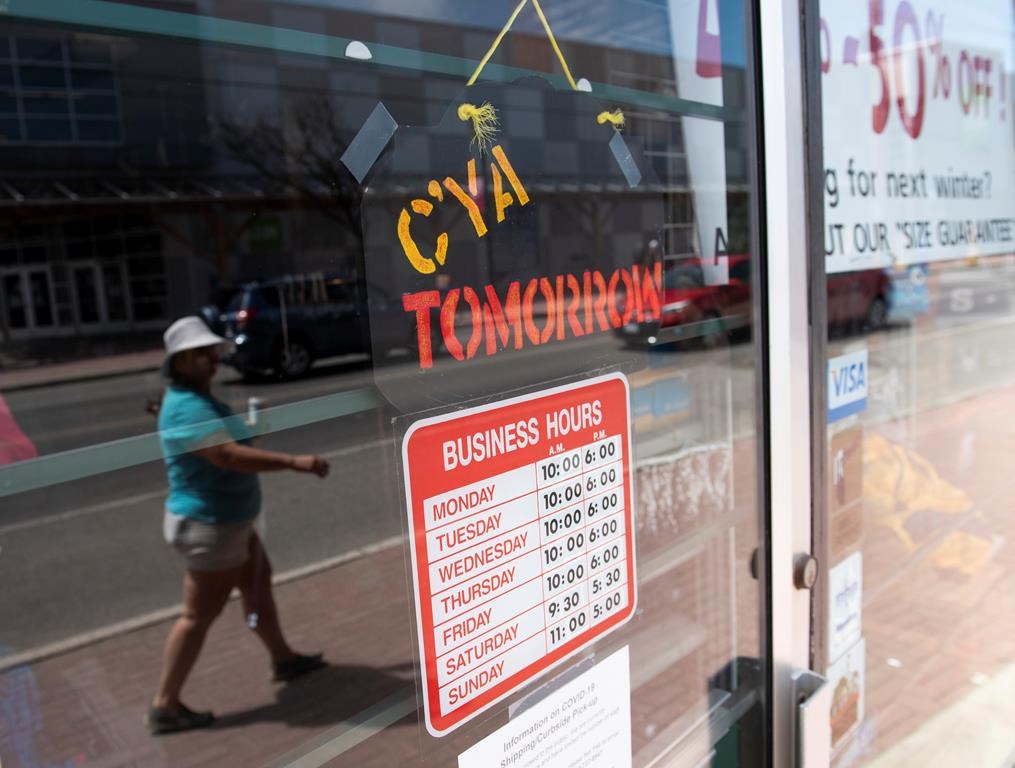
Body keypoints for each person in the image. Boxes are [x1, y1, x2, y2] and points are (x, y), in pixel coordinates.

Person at [148, 316, 330, 735]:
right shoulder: (187, 406)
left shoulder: (195, 398)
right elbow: (226, 456)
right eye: (201, 355)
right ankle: (165, 704)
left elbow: (227, 448)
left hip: (228, 522)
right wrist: (295, 463)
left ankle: (283, 658)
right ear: (178, 363)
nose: (212, 360)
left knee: (256, 584)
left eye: (212, 352)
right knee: (197, 615)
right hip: (210, 528)